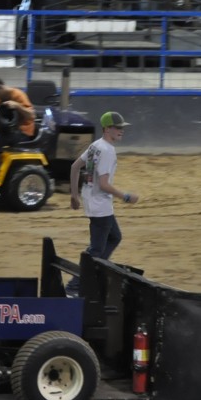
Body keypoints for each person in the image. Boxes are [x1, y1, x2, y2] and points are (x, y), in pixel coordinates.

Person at [68, 111, 140, 293]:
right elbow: (104, 184)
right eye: (118, 128)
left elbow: (75, 167)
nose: (121, 131)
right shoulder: (107, 150)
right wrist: (125, 196)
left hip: (91, 201)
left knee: (114, 237)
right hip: (101, 206)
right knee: (97, 250)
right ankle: (77, 284)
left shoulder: (95, 146)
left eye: (122, 128)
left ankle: (96, 270)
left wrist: (74, 195)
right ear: (107, 128)